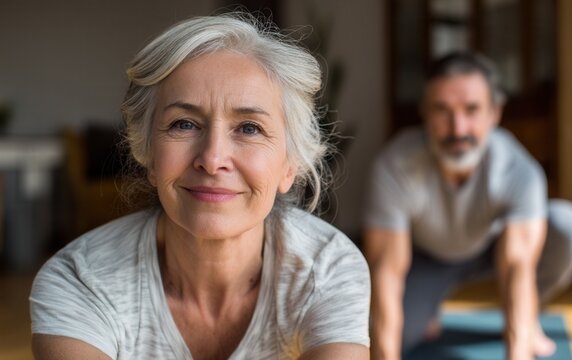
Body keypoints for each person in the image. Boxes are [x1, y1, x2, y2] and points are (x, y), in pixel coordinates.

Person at [30, 13, 370, 359]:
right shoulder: (80, 280)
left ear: (289, 166)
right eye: (183, 124)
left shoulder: (326, 268)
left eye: (249, 128)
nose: (212, 158)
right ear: (147, 153)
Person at [364, 52, 572, 360]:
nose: (458, 129)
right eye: (442, 110)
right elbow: (387, 271)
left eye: (472, 110)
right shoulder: (394, 166)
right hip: (425, 259)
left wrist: (518, 353)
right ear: (425, 113)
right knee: (376, 339)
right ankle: (429, 307)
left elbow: (517, 266)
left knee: (568, 225)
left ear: (494, 113)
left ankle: (529, 315)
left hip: (491, 250)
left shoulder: (518, 170)